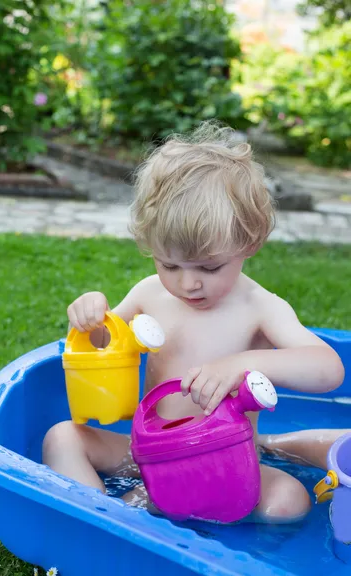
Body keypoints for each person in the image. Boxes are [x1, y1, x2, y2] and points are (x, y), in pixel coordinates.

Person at [43, 122, 345, 523]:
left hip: (225, 462)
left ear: (249, 242)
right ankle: (101, 519)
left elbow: (328, 370)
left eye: (209, 266)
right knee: (62, 436)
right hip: (146, 455)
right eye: (169, 264)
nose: (187, 283)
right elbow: (103, 348)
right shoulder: (150, 293)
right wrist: (91, 320)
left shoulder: (259, 306)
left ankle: (161, 502)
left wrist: (241, 364)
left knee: (288, 503)